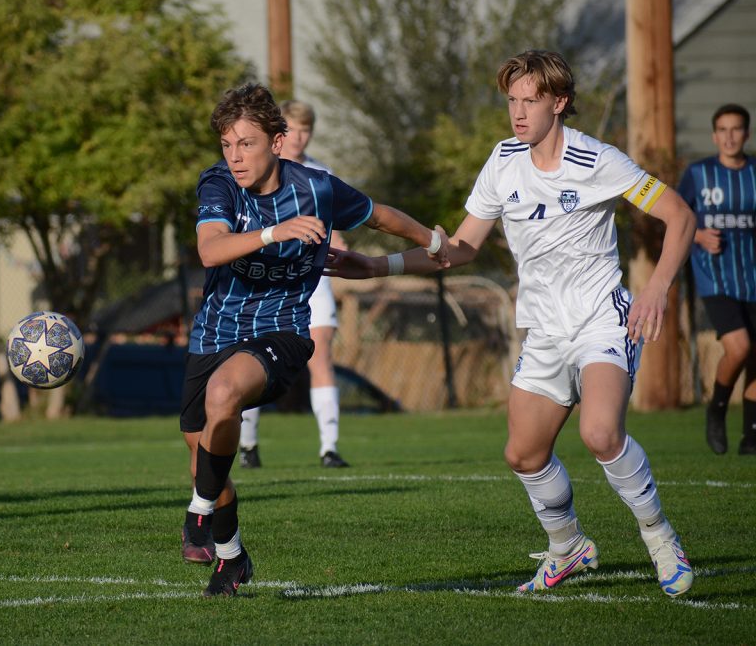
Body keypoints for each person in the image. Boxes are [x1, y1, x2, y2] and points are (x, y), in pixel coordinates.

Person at [324, 50, 696, 598]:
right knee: (522, 454)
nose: (518, 113)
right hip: (544, 331)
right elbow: (463, 248)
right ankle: (568, 546)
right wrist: (379, 265)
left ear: (559, 102)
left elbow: (679, 215)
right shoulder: (502, 162)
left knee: (599, 432)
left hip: (600, 320)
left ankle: (660, 536)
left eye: (530, 101)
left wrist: (657, 290)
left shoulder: (598, 161)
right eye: (512, 101)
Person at [179, 83, 448, 597]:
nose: (235, 157)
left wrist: (434, 242)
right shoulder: (218, 184)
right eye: (227, 145)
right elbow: (211, 251)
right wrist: (272, 233)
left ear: (277, 143)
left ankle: (196, 514)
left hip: (282, 329)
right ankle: (232, 557)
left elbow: (379, 215)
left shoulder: (317, 188)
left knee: (223, 396)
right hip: (215, 330)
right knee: (203, 454)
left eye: (247, 144)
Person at [239, 99, 350, 469]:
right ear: (278, 134)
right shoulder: (258, 174)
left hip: (312, 279)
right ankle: (248, 443)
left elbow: (334, 224)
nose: (299, 137)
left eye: (306, 130)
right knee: (254, 358)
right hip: (270, 278)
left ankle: (329, 448)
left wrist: (339, 242)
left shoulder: (320, 173)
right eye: (293, 129)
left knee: (321, 357)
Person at [678, 103, 756, 456]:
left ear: (746, 134)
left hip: (752, 276)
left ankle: (751, 436)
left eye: (736, 129)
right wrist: (697, 236)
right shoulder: (699, 175)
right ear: (714, 136)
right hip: (715, 277)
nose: (729, 136)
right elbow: (677, 216)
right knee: (739, 346)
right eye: (722, 130)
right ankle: (717, 408)